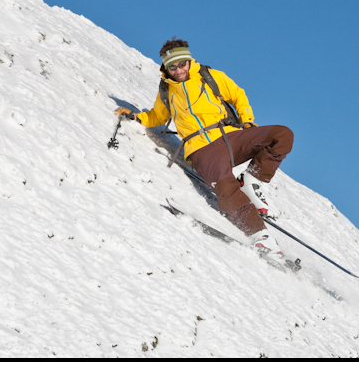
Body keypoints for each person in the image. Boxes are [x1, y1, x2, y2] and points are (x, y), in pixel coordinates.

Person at [115, 38, 294, 262]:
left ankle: (252, 181)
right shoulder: (166, 91)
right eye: (172, 67)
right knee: (224, 186)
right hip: (201, 149)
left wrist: (247, 121)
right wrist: (134, 116)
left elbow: (237, 95)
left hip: (230, 135)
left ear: (189, 61)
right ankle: (261, 236)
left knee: (282, 135)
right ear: (165, 68)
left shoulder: (210, 76)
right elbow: (156, 116)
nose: (178, 70)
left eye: (182, 64)